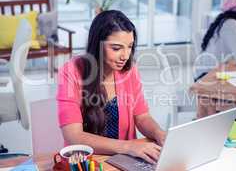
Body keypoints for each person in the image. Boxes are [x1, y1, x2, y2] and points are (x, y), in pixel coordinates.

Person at [56, 10, 166, 164]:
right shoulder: (71, 71)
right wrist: (128, 147)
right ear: (97, 46)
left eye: (129, 46)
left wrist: (159, 133)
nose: (125, 56)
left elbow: (142, 117)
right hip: (87, 163)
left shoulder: (130, 70)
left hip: (125, 160)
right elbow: (73, 136)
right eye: (116, 48)